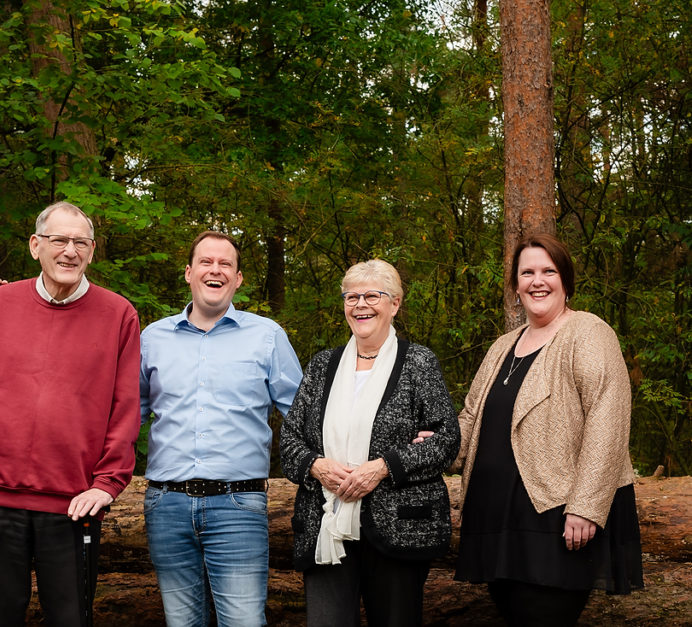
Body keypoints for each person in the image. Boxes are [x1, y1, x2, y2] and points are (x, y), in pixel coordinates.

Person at [451, 233, 643, 625]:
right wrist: (436, 445)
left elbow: (608, 420)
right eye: (527, 273)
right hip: (496, 517)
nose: (537, 280)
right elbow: (471, 419)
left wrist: (587, 506)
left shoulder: (588, 332)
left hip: (556, 517)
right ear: (516, 286)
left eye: (548, 271)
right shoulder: (502, 346)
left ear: (565, 281)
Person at [0, 201, 141, 626]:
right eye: (59, 240)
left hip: (73, 501)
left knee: (70, 619)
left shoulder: (119, 314)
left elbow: (125, 407)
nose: (70, 251)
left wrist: (108, 483)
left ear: (92, 251)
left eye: (81, 242)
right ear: (35, 246)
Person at [280, 259, 459, 627]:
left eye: (372, 296)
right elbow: (289, 440)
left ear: (394, 304)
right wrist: (317, 465)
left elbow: (445, 440)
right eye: (351, 297)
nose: (360, 305)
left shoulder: (418, 363)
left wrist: (384, 467)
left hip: (399, 529)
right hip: (326, 525)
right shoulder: (321, 366)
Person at [139, 230, 304, 627]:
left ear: (238, 278)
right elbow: (126, 414)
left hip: (238, 505)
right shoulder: (152, 338)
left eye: (225, 264)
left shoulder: (267, 337)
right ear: (189, 272)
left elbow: (304, 414)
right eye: (206, 262)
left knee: (244, 622)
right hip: (166, 506)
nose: (215, 270)